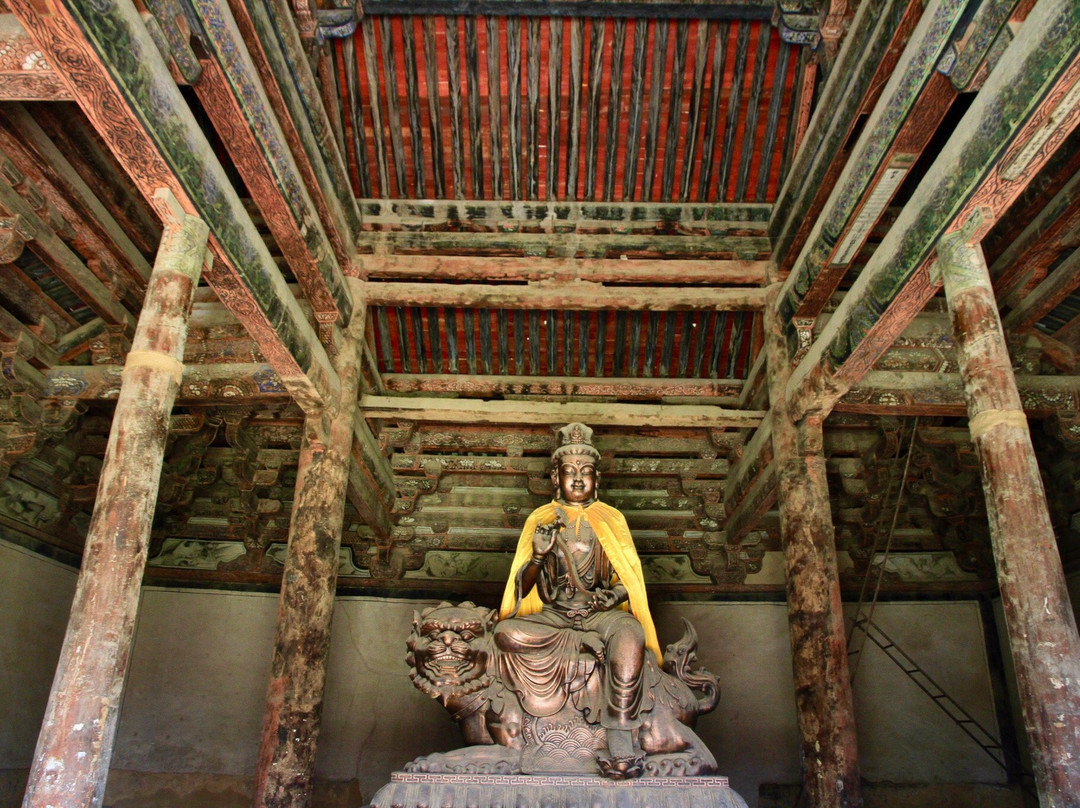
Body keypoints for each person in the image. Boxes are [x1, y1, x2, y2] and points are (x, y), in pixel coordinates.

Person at [495, 423, 661, 776]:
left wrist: (610, 596)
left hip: (599, 615)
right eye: (570, 473)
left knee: (630, 634)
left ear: (596, 478)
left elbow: (627, 578)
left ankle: (619, 727)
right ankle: (578, 642)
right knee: (506, 633)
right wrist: (539, 556)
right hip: (555, 616)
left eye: (585, 473)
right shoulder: (542, 519)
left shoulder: (611, 519)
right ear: (556, 478)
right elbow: (523, 587)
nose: (578, 480)